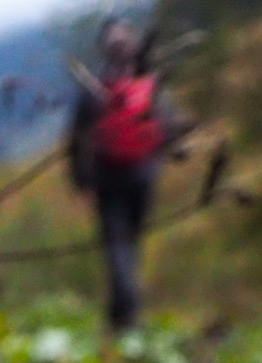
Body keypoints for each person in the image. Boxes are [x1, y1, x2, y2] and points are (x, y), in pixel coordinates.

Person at [68, 18, 181, 332]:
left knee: (119, 249)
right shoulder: (149, 85)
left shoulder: (94, 89)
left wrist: (81, 181)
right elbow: (169, 129)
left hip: (109, 181)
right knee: (128, 247)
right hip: (141, 177)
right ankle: (126, 318)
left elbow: (76, 139)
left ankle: (122, 318)